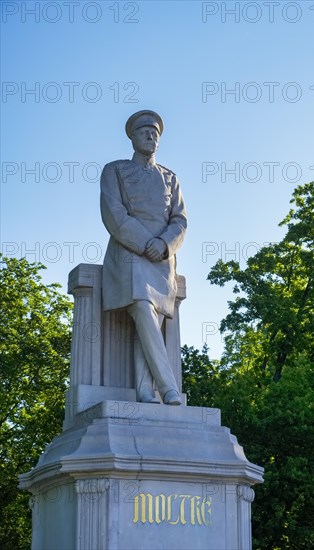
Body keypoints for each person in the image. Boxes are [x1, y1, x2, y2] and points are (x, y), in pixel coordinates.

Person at [100, 110, 187, 405]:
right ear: (133, 137)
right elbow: (114, 213)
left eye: (155, 134)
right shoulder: (114, 170)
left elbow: (180, 220)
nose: (151, 137)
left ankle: (144, 392)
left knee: (151, 318)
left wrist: (163, 244)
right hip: (129, 253)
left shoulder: (170, 177)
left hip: (162, 259)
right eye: (145, 132)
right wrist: (144, 242)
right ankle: (168, 387)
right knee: (141, 305)